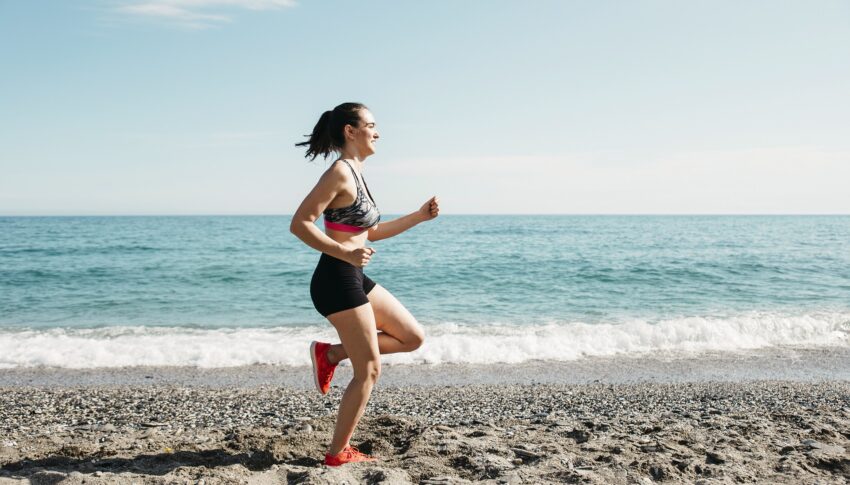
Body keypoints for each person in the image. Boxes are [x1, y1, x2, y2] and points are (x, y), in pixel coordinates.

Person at [290, 102, 440, 466]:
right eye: (371, 125)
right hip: (335, 278)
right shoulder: (340, 172)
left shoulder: (358, 171)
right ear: (350, 131)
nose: (377, 132)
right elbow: (301, 223)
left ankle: (331, 354)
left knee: (412, 337)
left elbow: (370, 232)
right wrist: (344, 253)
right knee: (369, 368)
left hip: (352, 274)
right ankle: (337, 453)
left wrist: (419, 217)